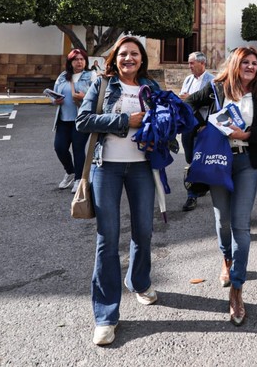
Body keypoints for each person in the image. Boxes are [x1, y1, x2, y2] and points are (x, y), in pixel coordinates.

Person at [75, 36, 163, 347]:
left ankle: (139, 281)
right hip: (106, 168)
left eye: (134, 54)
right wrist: (126, 120)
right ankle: (105, 316)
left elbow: (168, 121)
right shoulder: (103, 84)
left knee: (143, 231)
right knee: (107, 239)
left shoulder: (151, 88)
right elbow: (83, 121)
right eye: (123, 54)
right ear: (115, 58)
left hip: (142, 168)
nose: (129, 58)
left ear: (142, 59)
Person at [184, 47, 257, 326]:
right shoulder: (216, 88)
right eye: (245, 62)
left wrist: (246, 134)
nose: (250, 67)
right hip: (219, 162)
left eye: (254, 63)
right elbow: (187, 104)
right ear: (236, 64)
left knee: (241, 226)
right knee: (222, 220)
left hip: (248, 161)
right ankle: (226, 258)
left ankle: (237, 288)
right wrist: (203, 126)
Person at [51, 48, 96, 193]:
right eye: (76, 59)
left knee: (78, 149)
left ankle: (79, 179)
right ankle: (70, 171)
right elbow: (55, 94)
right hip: (63, 119)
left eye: (82, 59)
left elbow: (98, 97)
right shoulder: (63, 76)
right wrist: (55, 100)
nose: (79, 62)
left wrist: (85, 97)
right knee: (60, 147)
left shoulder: (91, 75)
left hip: (81, 120)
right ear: (70, 62)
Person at [177, 51, 214, 212]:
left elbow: (212, 105)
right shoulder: (188, 79)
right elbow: (183, 99)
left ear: (202, 63)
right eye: (189, 63)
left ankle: (191, 195)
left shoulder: (211, 80)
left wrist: (190, 98)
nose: (189, 66)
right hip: (188, 125)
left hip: (202, 125)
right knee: (189, 156)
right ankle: (202, 185)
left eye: (192, 63)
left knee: (197, 160)